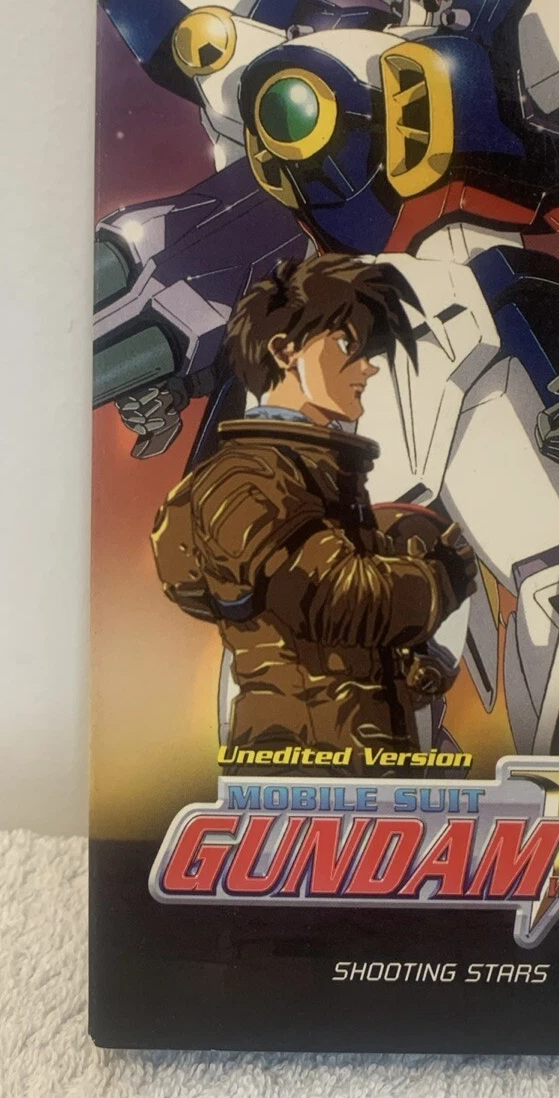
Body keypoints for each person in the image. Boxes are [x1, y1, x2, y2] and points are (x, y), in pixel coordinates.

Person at [151, 254, 477, 775]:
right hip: (302, 761)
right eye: (348, 345)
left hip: (354, 758)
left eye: (368, 351)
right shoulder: (246, 477)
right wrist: (440, 577)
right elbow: (338, 597)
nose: (368, 367)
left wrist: (399, 658)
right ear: (285, 351)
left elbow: (325, 616)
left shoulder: (315, 473)